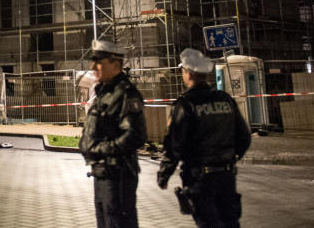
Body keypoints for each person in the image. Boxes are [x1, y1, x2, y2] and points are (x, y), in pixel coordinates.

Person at [156, 48, 252, 228]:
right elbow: (244, 137)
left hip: (200, 178)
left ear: (188, 73)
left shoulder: (185, 104)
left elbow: (175, 145)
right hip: (227, 175)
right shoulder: (225, 99)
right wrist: (230, 158)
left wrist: (164, 173)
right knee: (230, 222)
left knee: (208, 223)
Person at [79, 39, 147, 228]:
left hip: (118, 176)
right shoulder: (105, 93)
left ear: (116, 64)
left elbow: (135, 135)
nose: (93, 66)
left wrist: (98, 149)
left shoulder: (126, 94)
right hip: (102, 175)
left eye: (99, 61)